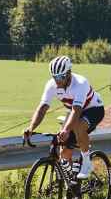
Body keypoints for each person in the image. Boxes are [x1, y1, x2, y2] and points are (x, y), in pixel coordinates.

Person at [24, 56, 105, 187]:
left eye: (60, 77)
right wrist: (31, 128)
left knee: (78, 127)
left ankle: (86, 162)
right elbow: (42, 108)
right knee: (64, 153)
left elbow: (76, 110)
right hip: (73, 112)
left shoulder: (80, 83)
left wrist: (67, 129)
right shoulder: (52, 85)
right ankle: (71, 189)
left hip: (93, 109)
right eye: (54, 77)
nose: (57, 81)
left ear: (68, 73)